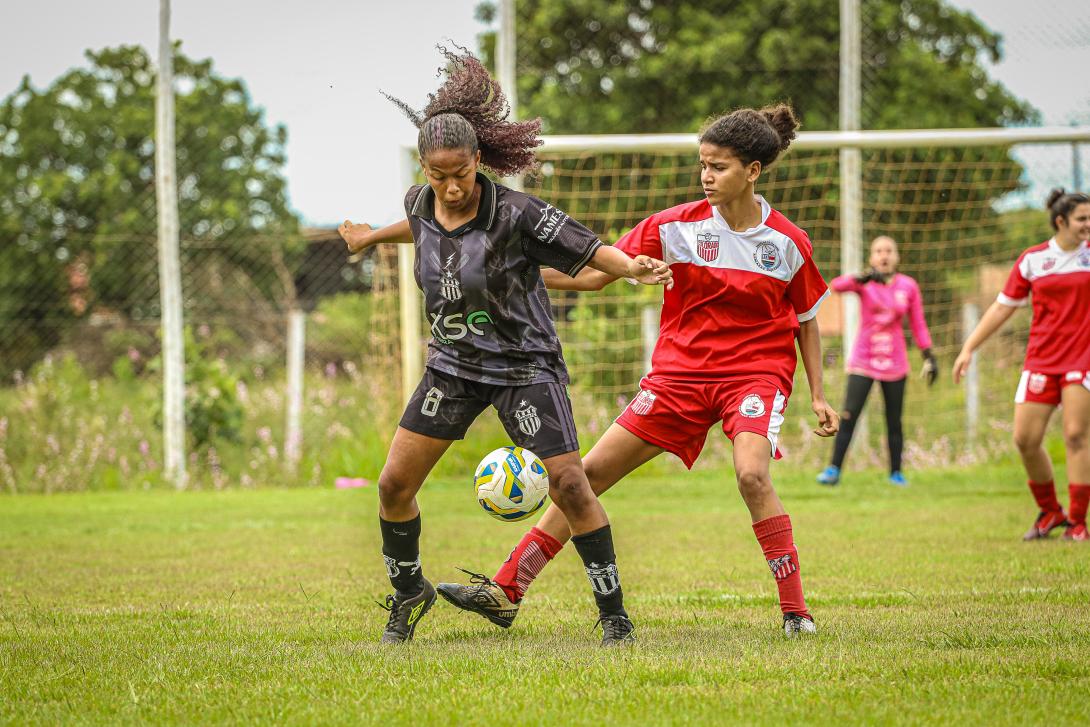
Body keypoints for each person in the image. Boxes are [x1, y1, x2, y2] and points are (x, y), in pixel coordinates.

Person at [436, 104, 840, 638]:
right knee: (586, 476)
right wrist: (506, 273)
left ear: (753, 171)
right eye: (703, 164)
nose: (706, 175)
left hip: (753, 376)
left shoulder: (788, 243)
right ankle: (507, 589)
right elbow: (592, 274)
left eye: (718, 166)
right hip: (677, 379)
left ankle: (796, 613)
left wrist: (816, 394)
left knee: (751, 474)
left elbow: (806, 320)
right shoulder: (671, 228)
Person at [339, 47, 673, 645]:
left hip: (523, 366)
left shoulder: (518, 213)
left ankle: (613, 615)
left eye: (460, 175)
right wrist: (368, 237)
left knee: (571, 484)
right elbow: (414, 225)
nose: (449, 188)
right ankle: (409, 591)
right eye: (437, 176)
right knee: (393, 485)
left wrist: (631, 267)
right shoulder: (421, 204)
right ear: (424, 171)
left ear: (479, 162)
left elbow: (588, 247)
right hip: (451, 367)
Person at [953, 189, 1090, 542]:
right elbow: (1002, 307)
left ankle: (1077, 522)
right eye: (1082, 219)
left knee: (1075, 434)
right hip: (1042, 360)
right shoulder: (1033, 260)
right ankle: (1050, 511)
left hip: (1082, 359)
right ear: (1061, 222)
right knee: (1025, 440)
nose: (1088, 225)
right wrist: (969, 347)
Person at [816, 236, 936, 487]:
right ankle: (833, 470)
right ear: (872, 257)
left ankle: (896, 473)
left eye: (889, 251)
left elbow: (918, 324)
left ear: (897, 256)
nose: (884, 255)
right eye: (879, 251)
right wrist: (862, 277)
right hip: (864, 359)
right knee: (849, 415)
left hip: (895, 362)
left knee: (894, 420)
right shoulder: (865, 283)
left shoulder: (908, 286)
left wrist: (929, 356)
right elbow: (836, 286)